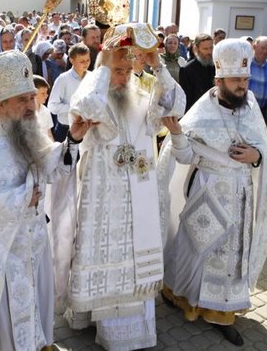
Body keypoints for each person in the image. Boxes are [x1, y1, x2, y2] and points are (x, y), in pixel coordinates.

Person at [0, 51, 92, 350]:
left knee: (36, 308)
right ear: (1, 104)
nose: (31, 106)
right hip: (4, 251)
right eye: (22, 101)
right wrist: (21, 198)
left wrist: (73, 140)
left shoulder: (28, 130)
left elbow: (50, 166)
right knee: (9, 318)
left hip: (33, 242)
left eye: (31, 98)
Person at [65, 23, 186, 350]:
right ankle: (99, 323)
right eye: (116, 71)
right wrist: (104, 62)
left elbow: (176, 104)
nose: (122, 77)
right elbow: (87, 108)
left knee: (135, 261)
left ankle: (136, 332)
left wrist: (156, 63)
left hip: (139, 195)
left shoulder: (142, 97)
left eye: (127, 70)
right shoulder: (93, 92)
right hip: (105, 196)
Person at [159, 39, 267, 346]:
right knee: (198, 251)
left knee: (232, 255)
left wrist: (257, 157)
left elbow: (266, 152)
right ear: (219, 80)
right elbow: (185, 158)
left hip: (242, 195)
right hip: (208, 192)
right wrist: (175, 134)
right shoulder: (201, 113)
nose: (242, 85)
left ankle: (223, 311)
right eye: (236, 80)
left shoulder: (250, 106)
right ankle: (183, 297)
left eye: (245, 79)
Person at [47, 43, 91, 142]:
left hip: (88, 129)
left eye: (88, 60)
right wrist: (74, 107)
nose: (86, 63)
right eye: (82, 61)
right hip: (66, 129)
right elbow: (52, 106)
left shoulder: (92, 78)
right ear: (72, 60)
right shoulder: (63, 79)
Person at [247, 36, 267, 117]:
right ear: (254, 47)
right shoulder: (247, 64)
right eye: (262, 48)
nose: (265, 51)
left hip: (261, 112)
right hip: (244, 110)